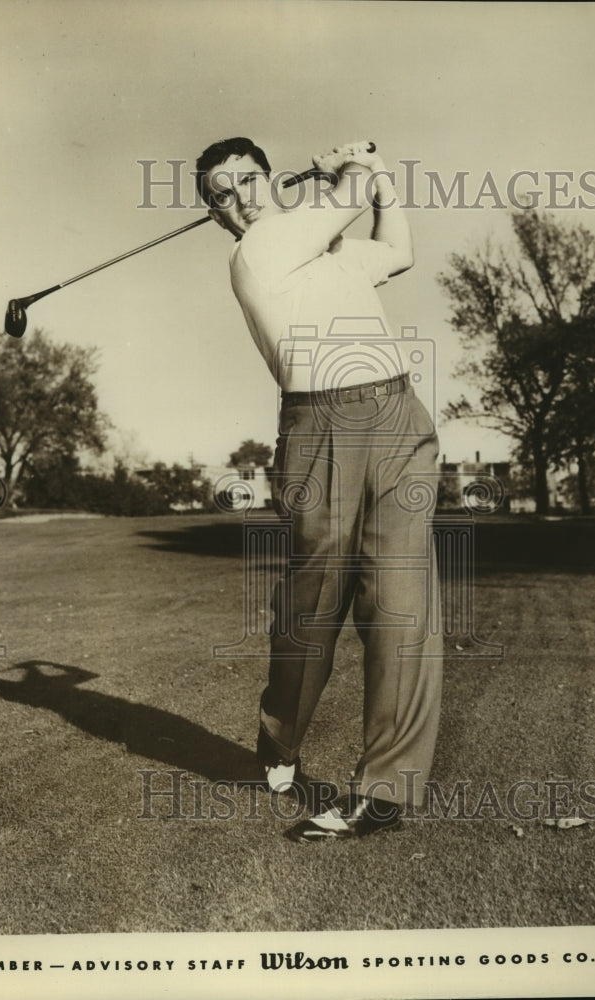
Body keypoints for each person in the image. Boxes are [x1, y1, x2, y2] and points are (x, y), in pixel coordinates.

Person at [195, 137, 442, 842]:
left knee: (399, 602)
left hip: (398, 417)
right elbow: (341, 201)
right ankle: (279, 740)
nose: (240, 196)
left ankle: (384, 791)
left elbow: (395, 250)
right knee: (315, 603)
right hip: (319, 429)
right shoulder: (256, 252)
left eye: (248, 180)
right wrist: (354, 167)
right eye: (223, 193)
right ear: (218, 215)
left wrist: (382, 176)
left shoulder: (328, 256)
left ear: (273, 180)